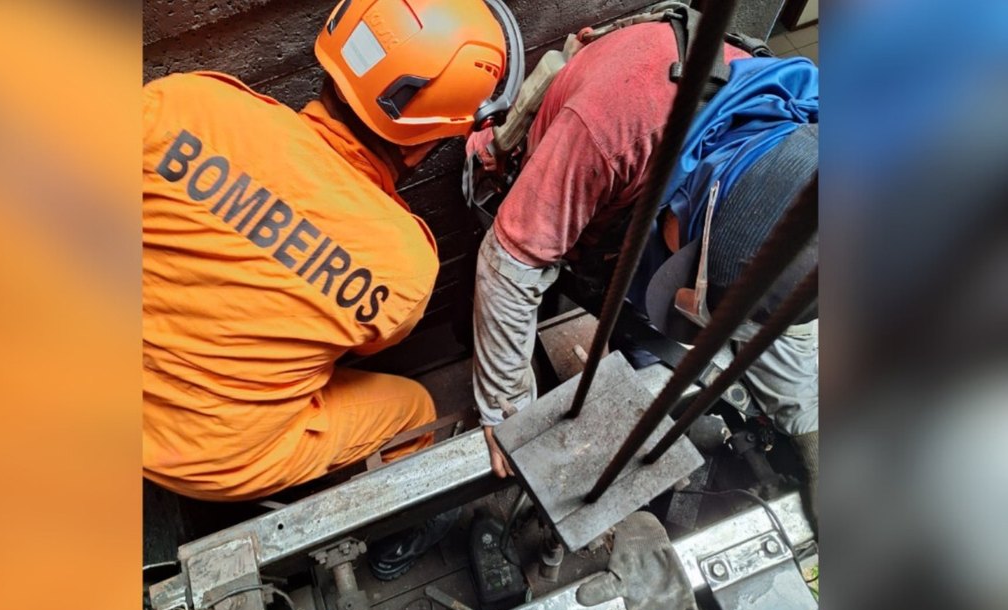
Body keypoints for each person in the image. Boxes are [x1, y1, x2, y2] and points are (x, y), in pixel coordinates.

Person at [142, 0, 521, 515]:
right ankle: (393, 530)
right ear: (421, 146)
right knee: (414, 411)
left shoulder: (183, 101)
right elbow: (365, 346)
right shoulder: (404, 266)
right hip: (207, 457)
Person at [466, 15, 820, 523]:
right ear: (696, 207)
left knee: (654, 350)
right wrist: (508, 415)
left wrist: (809, 425)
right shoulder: (613, 128)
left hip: (641, 210)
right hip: (587, 192)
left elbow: (778, 304)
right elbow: (510, 262)